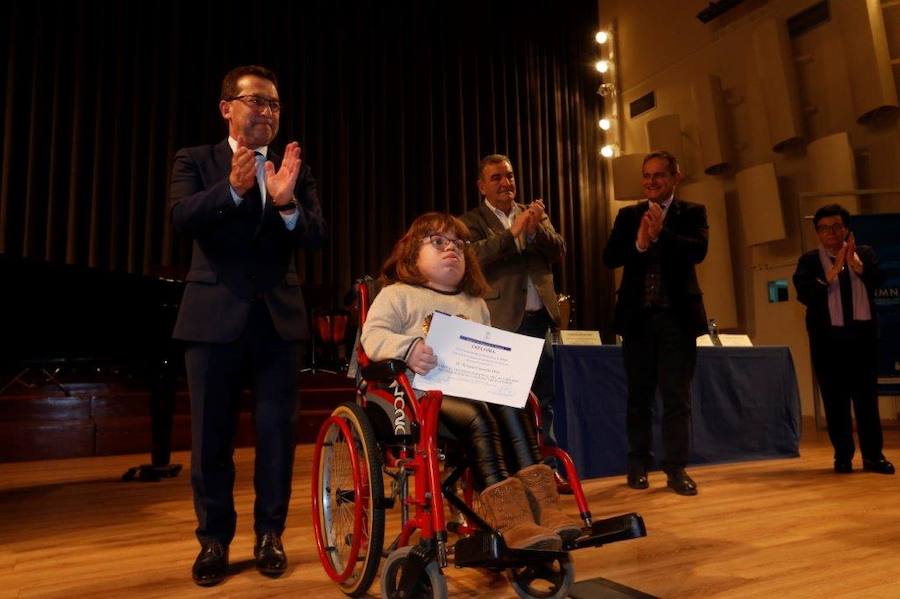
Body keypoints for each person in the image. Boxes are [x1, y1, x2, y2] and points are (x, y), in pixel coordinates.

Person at [169, 65, 326, 586]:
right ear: (226, 108)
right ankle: (214, 540)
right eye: (256, 101)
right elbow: (183, 217)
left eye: (275, 104)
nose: (267, 111)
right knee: (210, 437)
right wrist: (232, 192)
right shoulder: (195, 160)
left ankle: (269, 535)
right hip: (212, 319)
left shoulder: (293, 168)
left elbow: (318, 236)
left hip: (278, 321)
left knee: (277, 435)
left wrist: (286, 204)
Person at [361, 212, 581, 551]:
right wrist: (407, 348)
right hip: (423, 396)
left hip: (475, 390)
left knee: (516, 405)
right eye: (438, 241)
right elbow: (372, 336)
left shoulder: (475, 303)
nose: (451, 248)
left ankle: (546, 510)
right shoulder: (397, 295)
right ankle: (511, 520)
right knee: (478, 416)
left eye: (459, 244)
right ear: (411, 253)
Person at [459, 155, 569, 491]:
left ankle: (546, 470)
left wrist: (534, 233)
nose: (506, 183)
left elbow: (559, 250)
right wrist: (514, 233)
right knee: (508, 402)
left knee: (544, 399)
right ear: (481, 186)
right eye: (496, 178)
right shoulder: (471, 221)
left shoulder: (532, 212)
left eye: (509, 176)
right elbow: (472, 258)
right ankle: (515, 474)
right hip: (502, 322)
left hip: (541, 321)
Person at [602, 150, 708, 496]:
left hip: (677, 321)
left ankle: (676, 469)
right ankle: (638, 464)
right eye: (646, 176)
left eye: (658, 175)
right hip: (638, 321)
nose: (650, 182)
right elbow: (610, 257)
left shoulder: (692, 213)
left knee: (677, 398)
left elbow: (698, 252)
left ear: (675, 176)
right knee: (639, 396)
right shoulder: (628, 214)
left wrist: (663, 234)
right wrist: (640, 242)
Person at [792, 204, 894, 475]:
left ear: (847, 228)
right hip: (828, 343)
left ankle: (873, 457)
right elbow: (804, 294)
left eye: (837, 227)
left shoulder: (865, 254)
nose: (832, 233)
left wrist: (856, 265)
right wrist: (830, 275)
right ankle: (843, 457)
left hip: (863, 340)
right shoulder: (809, 261)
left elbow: (880, 279)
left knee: (867, 402)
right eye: (824, 228)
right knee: (835, 403)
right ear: (817, 233)